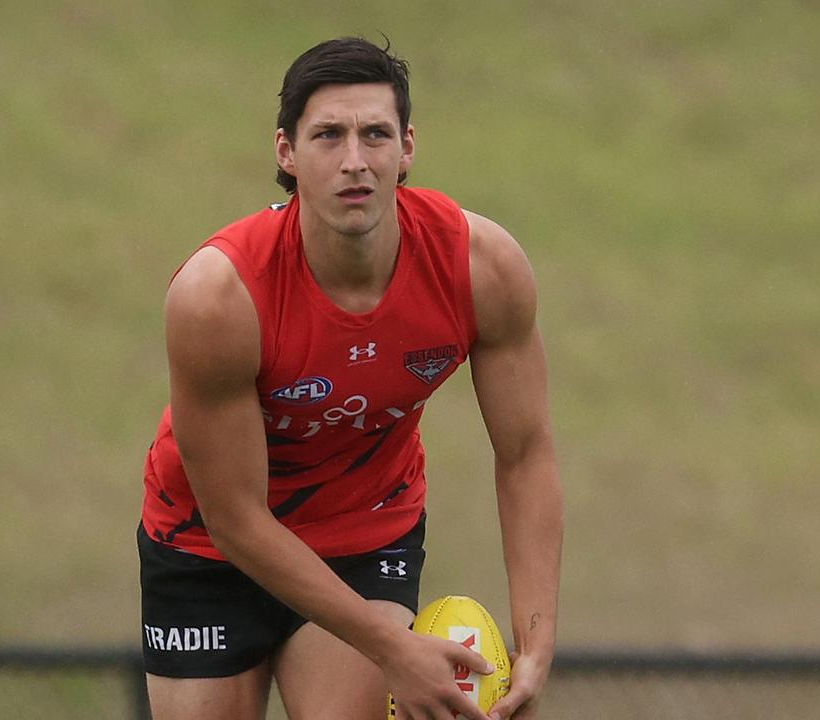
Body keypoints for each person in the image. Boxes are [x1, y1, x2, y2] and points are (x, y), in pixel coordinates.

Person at [138, 36, 563, 720]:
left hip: (365, 534)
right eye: (328, 136)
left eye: (375, 134)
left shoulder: (481, 268)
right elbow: (237, 519)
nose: (355, 161)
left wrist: (537, 639)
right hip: (207, 547)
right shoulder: (219, 297)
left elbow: (525, 453)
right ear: (286, 152)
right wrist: (393, 650)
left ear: (408, 148)